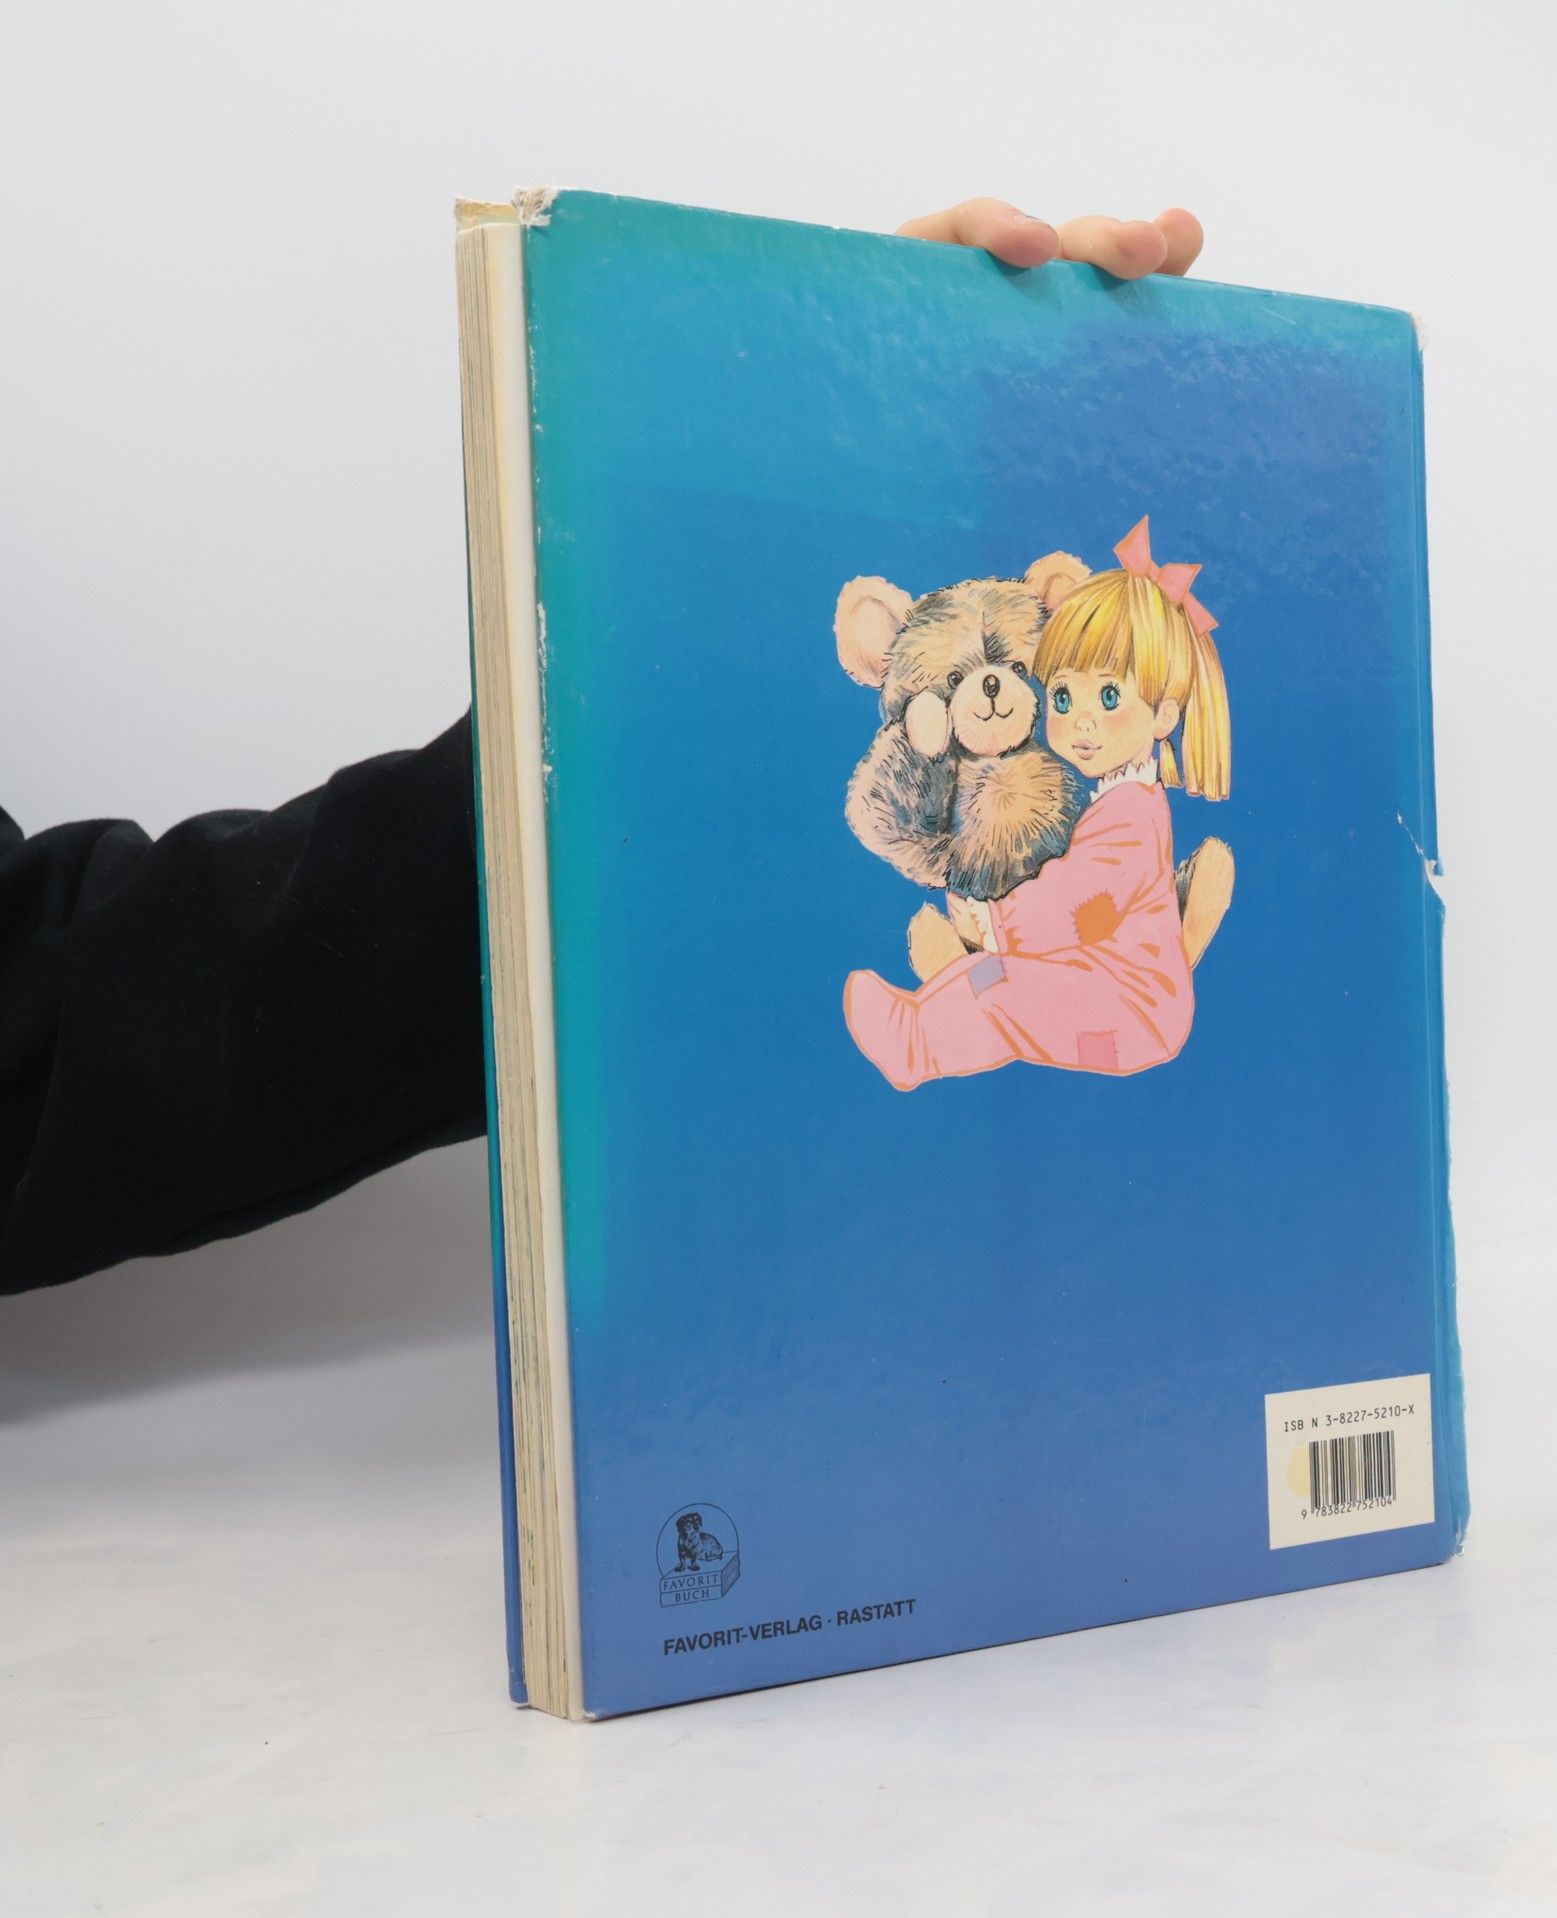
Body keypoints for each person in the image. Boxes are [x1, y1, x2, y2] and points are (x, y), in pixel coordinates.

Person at [0, 201, 1206, 1295]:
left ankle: (956, 1011)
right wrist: (641, 739)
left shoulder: (1117, 807)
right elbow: (71, 1038)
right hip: (1048, 1003)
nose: (1038, 701)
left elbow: (67, 1018)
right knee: (1000, 1007)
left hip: (1089, 1019)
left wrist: (855, 450)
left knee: (1018, 1019)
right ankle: (941, 1015)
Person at [843, 516, 1232, 1090]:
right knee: (992, 979)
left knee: (1001, 991)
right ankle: (926, 1016)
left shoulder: (1133, 816)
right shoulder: (1122, 799)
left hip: (1129, 1011)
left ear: (1164, 715)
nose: (1081, 721)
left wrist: (995, 921)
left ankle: (917, 1046)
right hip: (1104, 984)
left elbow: (1079, 900)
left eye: (1108, 696)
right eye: (1065, 696)